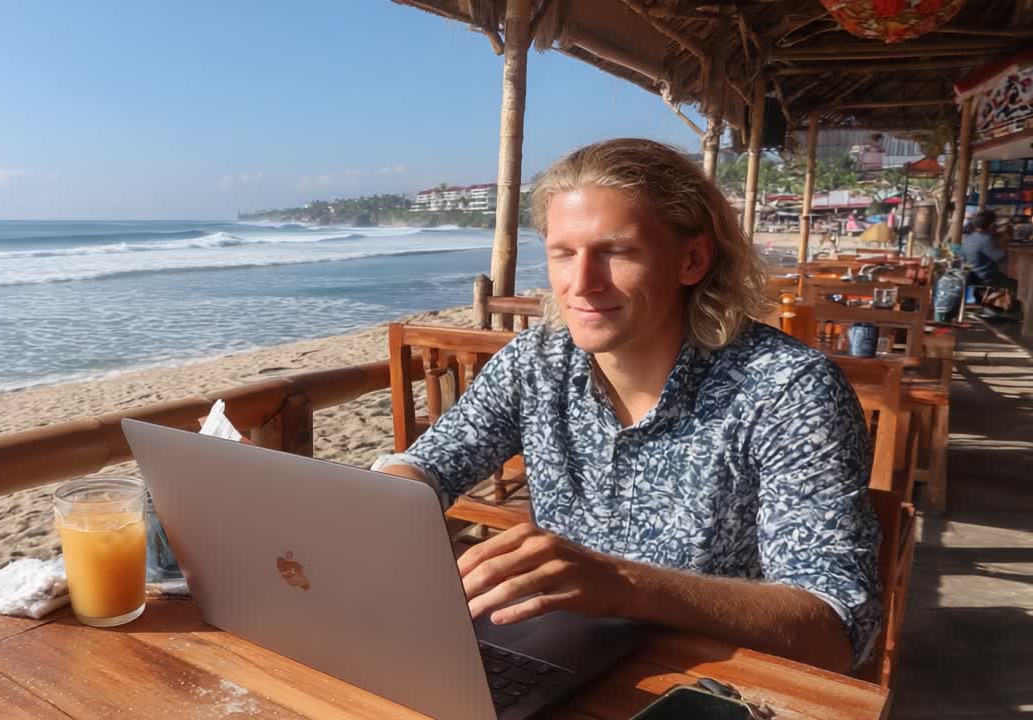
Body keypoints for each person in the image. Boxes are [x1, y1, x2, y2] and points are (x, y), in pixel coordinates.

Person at [373, 139, 880, 675]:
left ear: (693, 259)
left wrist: (624, 587)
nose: (582, 284)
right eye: (564, 254)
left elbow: (834, 630)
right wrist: (388, 498)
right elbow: (432, 462)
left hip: (711, 685)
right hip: (559, 663)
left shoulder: (786, 389)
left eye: (616, 251)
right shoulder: (537, 361)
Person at [962, 209, 1018, 291]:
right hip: (985, 279)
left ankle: (988, 300)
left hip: (971, 278)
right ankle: (993, 301)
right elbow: (1001, 258)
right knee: (1012, 283)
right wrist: (1005, 239)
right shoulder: (987, 239)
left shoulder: (970, 237)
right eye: (995, 222)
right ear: (991, 225)